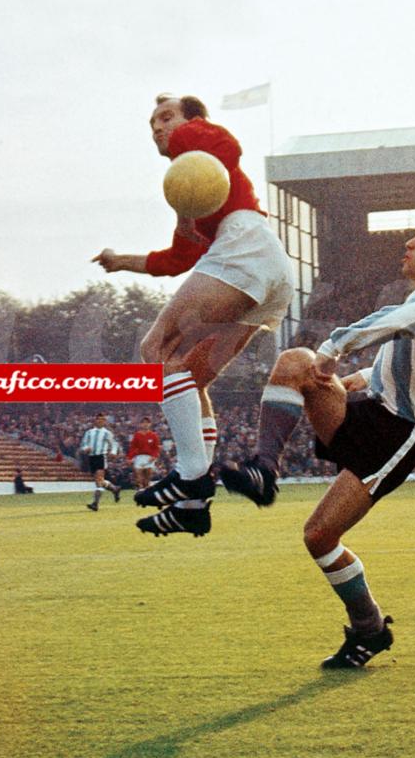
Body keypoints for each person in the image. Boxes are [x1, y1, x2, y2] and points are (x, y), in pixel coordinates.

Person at [221, 216, 415, 669]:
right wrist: (340, 380)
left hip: (395, 435)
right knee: (294, 363)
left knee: (320, 535)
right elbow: (390, 367)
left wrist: (335, 346)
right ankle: (263, 468)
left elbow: (388, 324)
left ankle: (370, 630)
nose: (409, 242)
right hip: (372, 418)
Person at [92, 93, 293, 538]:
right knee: (188, 377)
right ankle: (193, 506)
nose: (159, 130)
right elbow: (177, 259)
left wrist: (185, 124)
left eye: (167, 119)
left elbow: (227, 148)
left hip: (242, 246)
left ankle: (192, 474)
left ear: (193, 121)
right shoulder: (195, 193)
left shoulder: (204, 153)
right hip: (264, 263)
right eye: (152, 125)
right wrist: (120, 260)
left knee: (156, 348)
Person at [80, 412, 122, 511]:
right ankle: (115, 489)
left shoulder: (107, 433)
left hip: (101, 457)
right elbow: (83, 444)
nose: (100, 421)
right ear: (95, 420)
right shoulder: (89, 432)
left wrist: (113, 452)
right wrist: (86, 448)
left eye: (102, 419)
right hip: (91, 458)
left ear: (105, 421)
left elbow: (114, 444)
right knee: (100, 481)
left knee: (98, 481)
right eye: (98, 419)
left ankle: (95, 504)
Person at [126, 416, 162, 491]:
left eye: (147, 422)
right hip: (139, 457)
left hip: (149, 458)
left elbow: (156, 448)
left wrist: (154, 457)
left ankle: (146, 494)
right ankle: (140, 492)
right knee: (139, 477)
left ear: (150, 424)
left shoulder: (153, 435)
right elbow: (132, 447)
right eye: (143, 422)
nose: (145, 424)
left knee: (147, 479)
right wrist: (129, 458)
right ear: (140, 424)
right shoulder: (137, 435)